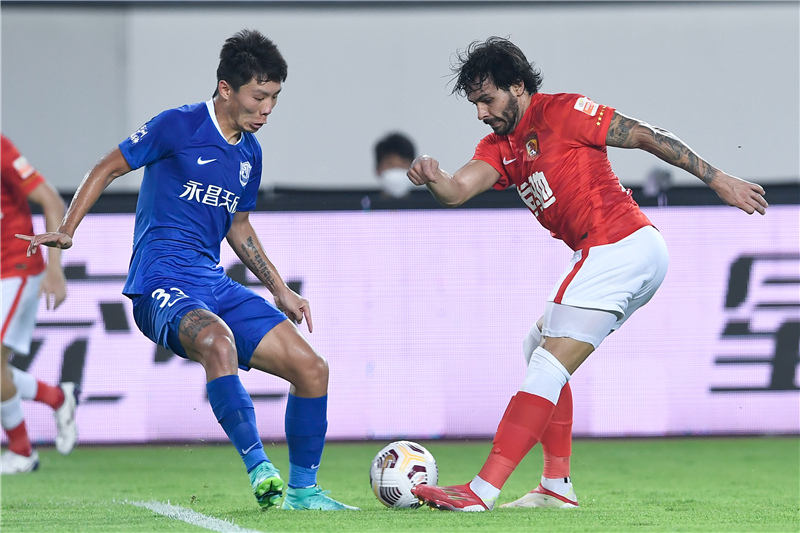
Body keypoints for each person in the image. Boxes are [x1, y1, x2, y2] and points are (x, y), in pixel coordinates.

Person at [407, 37, 768, 512]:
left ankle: (482, 491)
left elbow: (645, 133)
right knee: (537, 347)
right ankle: (556, 486)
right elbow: (456, 191)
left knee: (546, 361)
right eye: (474, 103)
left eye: (487, 99)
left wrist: (717, 178)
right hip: (618, 253)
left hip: (621, 245)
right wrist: (434, 178)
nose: (480, 112)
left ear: (518, 87)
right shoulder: (500, 146)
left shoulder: (562, 112)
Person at [19, 30, 356, 511]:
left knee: (312, 369)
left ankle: (304, 492)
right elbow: (107, 167)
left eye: (275, 99)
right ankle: (260, 468)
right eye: (259, 97)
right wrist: (68, 229)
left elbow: (238, 226)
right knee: (218, 342)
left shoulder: (249, 153)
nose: (267, 110)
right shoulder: (178, 125)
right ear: (226, 89)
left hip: (213, 282)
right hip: (158, 283)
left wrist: (280, 289)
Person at [1, 134, 79, 474]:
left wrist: (54, 268)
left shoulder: (1, 149)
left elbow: (52, 202)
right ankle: (57, 398)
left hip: (16, 266)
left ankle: (21, 451)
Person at [374, 132, 418, 199]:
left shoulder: (430, 204)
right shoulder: (365, 204)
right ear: (378, 169)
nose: (397, 170)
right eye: (390, 164)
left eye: (403, 165)